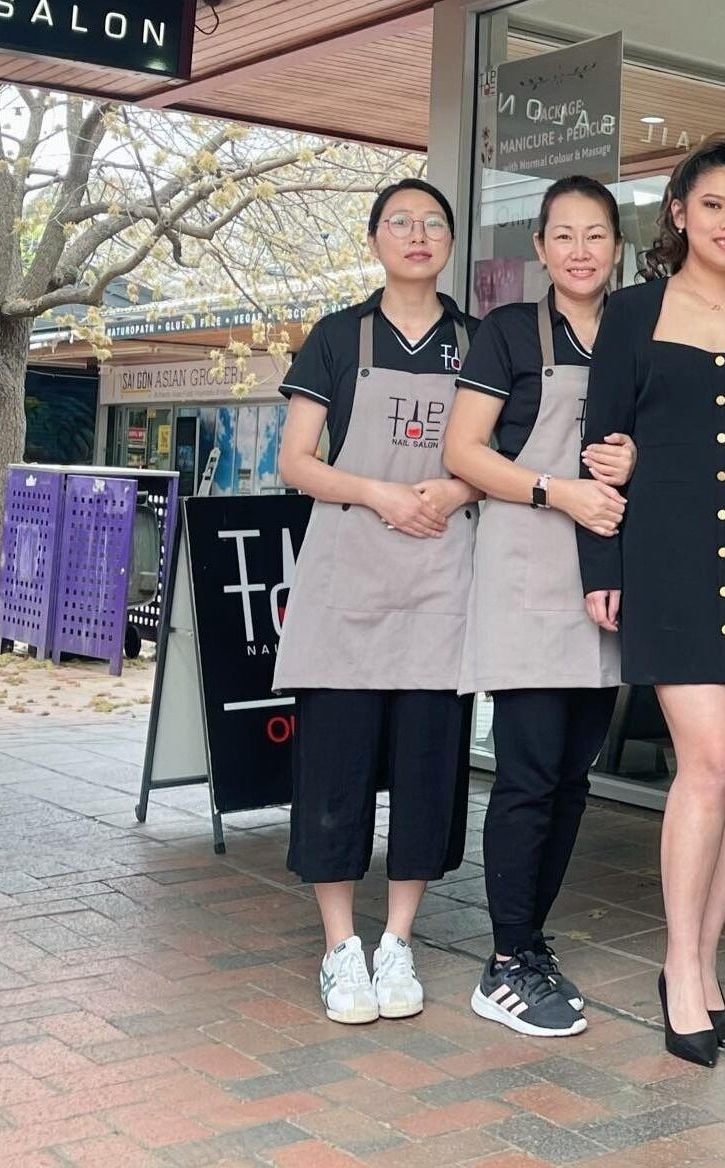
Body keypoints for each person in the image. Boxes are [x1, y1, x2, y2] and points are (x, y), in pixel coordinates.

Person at [578, 135, 725, 1066]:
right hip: (664, 555)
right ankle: (679, 961)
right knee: (706, 754)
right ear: (677, 212)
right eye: (714, 206)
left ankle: (701, 958)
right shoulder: (630, 312)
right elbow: (599, 444)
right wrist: (601, 566)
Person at [272, 178, 483, 1026]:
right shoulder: (336, 338)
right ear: (374, 241)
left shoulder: (477, 342)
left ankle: (398, 938)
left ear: (450, 242)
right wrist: (378, 493)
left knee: (429, 771)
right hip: (348, 585)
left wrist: (454, 490)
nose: (418, 235)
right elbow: (296, 461)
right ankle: (338, 947)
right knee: (335, 772)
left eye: (434, 223)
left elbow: (496, 456)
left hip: (440, 585)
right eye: (401, 222)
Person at [444, 176, 635, 1038]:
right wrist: (558, 491)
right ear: (541, 250)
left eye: (596, 234)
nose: (581, 250)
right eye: (564, 235)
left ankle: (531, 940)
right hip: (528, 567)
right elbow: (464, 452)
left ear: (617, 247)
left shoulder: (637, 332)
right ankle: (506, 960)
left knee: (570, 778)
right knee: (525, 774)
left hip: (608, 579)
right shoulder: (507, 332)